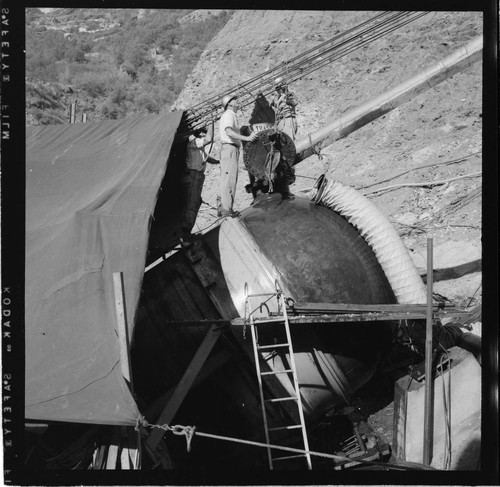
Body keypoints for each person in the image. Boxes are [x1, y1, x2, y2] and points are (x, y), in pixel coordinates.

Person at [218, 94, 258, 217]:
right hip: (230, 148)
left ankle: (222, 208)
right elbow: (229, 132)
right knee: (230, 179)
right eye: (235, 100)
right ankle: (227, 210)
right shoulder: (229, 115)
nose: (237, 101)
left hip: (229, 149)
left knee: (226, 178)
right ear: (229, 104)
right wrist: (247, 138)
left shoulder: (229, 115)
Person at [181, 123, 218, 237]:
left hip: (197, 176)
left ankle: (187, 230)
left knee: (195, 202)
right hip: (194, 176)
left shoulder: (197, 146)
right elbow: (208, 140)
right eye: (202, 132)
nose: (203, 134)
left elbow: (206, 157)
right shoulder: (194, 142)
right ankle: (186, 231)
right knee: (192, 203)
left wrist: (218, 161)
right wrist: (211, 125)